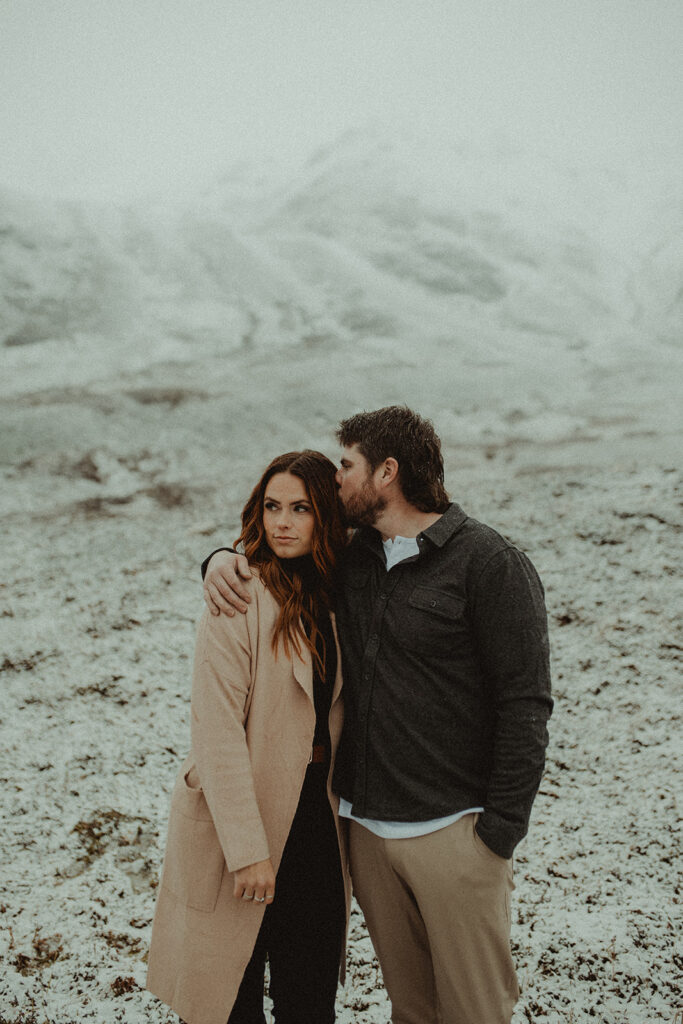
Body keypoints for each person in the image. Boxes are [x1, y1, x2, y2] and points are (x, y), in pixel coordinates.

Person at [202, 407, 553, 1024]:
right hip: (364, 833)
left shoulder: (489, 563)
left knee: (477, 1012)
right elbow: (278, 557)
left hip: (454, 832)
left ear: (386, 472)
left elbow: (525, 703)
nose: (335, 481)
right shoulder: (354, 557)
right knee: (411, 1010)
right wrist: (219, 559)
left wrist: (499, 831)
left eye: (346, 466)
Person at [147, 450, 351, 1024]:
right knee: (226, 1003)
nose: (282, 522)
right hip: (240, 820)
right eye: (272, 507)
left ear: (326, 518)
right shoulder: (238, 594)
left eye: (301, 508)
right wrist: (249, 852)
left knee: (308, 999)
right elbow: (216, 734)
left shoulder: (343, 594)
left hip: (317, 819)